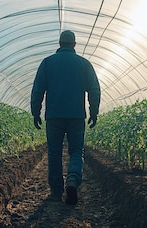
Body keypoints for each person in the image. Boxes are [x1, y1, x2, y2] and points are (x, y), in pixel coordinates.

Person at [30, 30, 101, 205]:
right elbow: (94, 89)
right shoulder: (84, 64)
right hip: (76, 115)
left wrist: (35, 112)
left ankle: (56, 191)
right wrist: (93, 112)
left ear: (59, 44)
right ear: (74, 45)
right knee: (76, 151)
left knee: (54, 152)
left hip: (54, 116)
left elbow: (38, 90)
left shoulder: (47, 63)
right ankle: (72, 180)